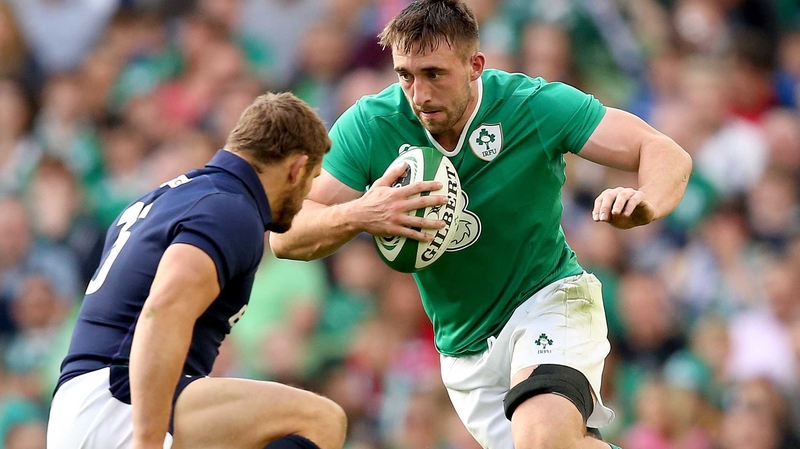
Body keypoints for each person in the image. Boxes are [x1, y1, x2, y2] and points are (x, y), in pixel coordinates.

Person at [269, 0, 692, 448]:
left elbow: (662, 151)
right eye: (405, 75)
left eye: (434, 74)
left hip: (547, 300)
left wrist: (646, 201)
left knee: (543, 438)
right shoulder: (374, 125)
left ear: (475, 65)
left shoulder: (530, 105)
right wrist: (361, 213)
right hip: (465, 351)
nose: (419, 94)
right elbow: (286, 234)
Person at [47, 92, 347, 449]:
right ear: (297, 169)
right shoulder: (231, 209)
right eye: (312, 179)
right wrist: (148, 443)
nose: (305, 198)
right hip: (118, 401)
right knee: (320, 420)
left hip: (84, 407)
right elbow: (164, 310)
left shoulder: (169, 197)